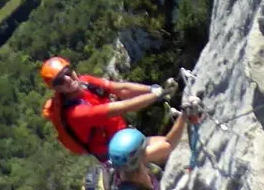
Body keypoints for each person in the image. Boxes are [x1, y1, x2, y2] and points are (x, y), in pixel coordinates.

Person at [40, 56, 186, 165]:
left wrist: (154, 89)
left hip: (127, 137)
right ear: (56, 88)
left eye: (67, 72)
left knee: (168, 144)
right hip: (118, 156)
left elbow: (120, 88)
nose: (67, 79)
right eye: (59, 81)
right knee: (166, 147)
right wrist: (157, 96)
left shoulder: (86, 82)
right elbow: (123, 107)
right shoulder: (75, 113)